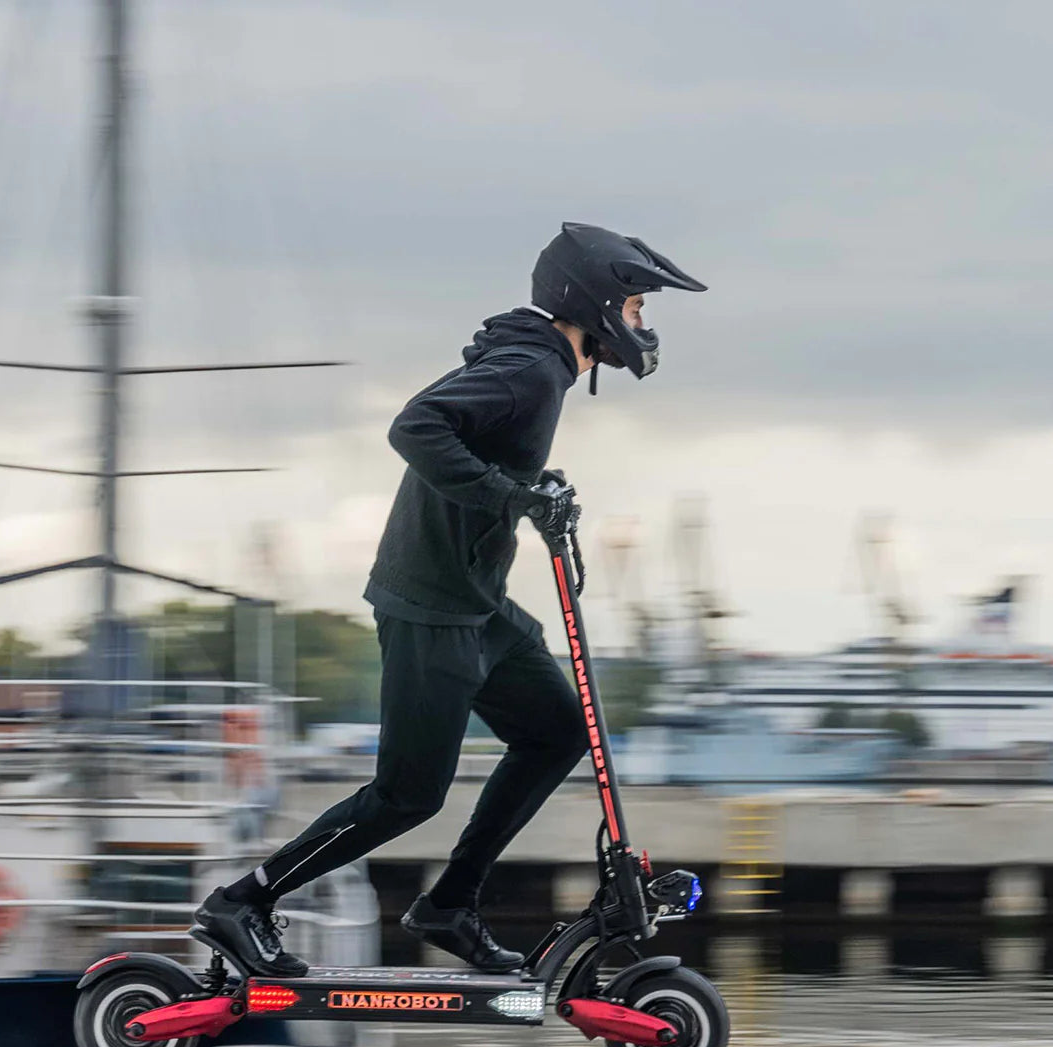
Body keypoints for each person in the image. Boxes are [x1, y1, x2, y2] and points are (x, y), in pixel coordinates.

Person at [195, 222, 706, 976]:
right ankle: (244, 903)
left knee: (559, 733)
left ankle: (450, 904)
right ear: (594, 303)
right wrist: (512, 496)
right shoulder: (530, 368)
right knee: (406, 796)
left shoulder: (540, 368)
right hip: (430, 607)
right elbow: (417, 426)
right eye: (634, 308)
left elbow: (485, 448)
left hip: (479, 605)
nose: (641, 325)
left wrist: (536, 488)